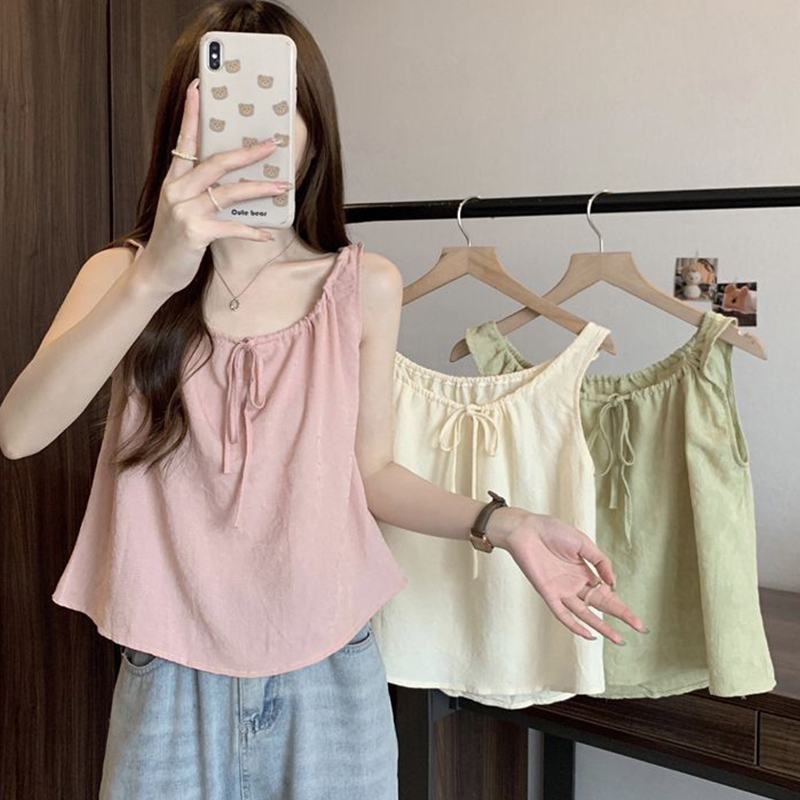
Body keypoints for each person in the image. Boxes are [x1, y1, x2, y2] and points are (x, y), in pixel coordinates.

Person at [0, 1, 646, 797]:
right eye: (228, 106)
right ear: (182, 127)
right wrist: (155, 276)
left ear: (314, 132)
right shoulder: (121, 276)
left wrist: (502, 523)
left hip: (330, 676)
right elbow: (19, 432)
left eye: (278, 105)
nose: (254, 133)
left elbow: (371, 473)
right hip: (167, 673)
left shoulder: (364, 286)